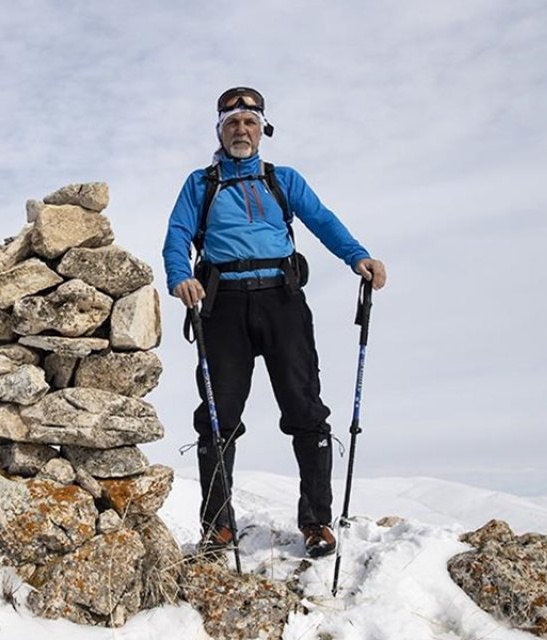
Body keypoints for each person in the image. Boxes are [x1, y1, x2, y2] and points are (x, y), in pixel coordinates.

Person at [161, 86, 387, 559]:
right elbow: (177, 235)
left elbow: (321, 220)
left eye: (248, 122)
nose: (240, 130)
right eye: (231, 124)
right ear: (219, 131)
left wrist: (358, 256)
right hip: (222, 306)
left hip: (283, 301)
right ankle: (218, 527)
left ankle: (317, 522)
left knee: (306, 409)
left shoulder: (283, 179)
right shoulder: (200, 184)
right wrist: (181, 277)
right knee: (218, 417)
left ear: (263, 128)